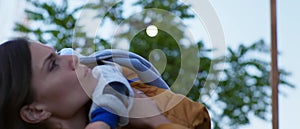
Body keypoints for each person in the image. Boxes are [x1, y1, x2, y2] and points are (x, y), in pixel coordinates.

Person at [0, 38, 211, 129]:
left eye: (56, 53)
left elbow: (196, 118)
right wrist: (157, 122)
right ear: (35, 111)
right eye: (53, 64)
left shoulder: (131, 93)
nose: (72, 58)